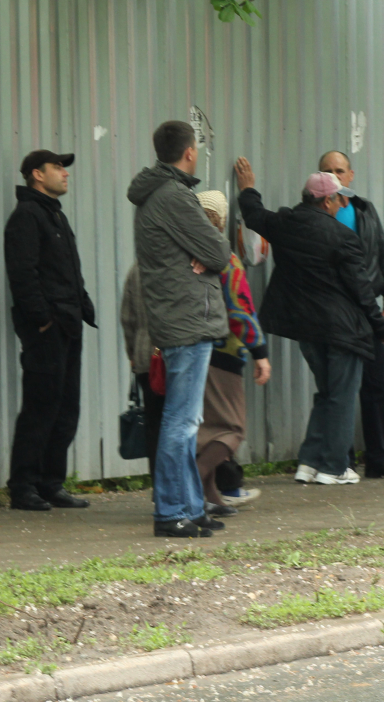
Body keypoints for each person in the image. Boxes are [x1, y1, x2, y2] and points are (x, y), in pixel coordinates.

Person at [235, 158, 384, 485]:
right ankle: (335, 467)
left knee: (327, 393)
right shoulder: (342, 237)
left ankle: (309, 462)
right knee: (340, 396)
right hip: (342, 329)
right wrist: (382, 327)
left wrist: (248, 188)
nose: (341, 204)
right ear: (326, 201)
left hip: (306, 329)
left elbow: (253, 215)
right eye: (338, 198)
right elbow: (361, 289)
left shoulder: (285, 222)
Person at [128, 121, 232, 539]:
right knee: (181, 422)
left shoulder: (160, 194)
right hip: (185, 318)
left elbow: (208, 251)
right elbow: (220, 250)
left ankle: (190, 505)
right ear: (189, 152)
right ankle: (172, 511)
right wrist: (206, 252)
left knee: (187, 420)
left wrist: (203, 253)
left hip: (180, 316)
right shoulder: (173, 196)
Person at [4, 150, 97, 511]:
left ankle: (50, 483)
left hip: (68, 324)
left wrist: (83, 304)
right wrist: (43, 318)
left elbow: (67, 270)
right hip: (47, 329)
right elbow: (23, 274)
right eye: (57, 168)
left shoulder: (55, 215)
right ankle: (23, 486)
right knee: (41, 407)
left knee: (66, 407)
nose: (65, 173)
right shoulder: (27, 216)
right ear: (36, 175)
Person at [318, 151, 384, 479]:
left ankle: (379, 458)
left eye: (339, 171)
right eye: (327, 171)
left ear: (350, 175)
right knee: (336, 388)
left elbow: (383, 256)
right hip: (335, 313)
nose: (334, 176)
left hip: (369, 310)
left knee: (375, 385)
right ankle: (338, 459)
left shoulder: (364, 210)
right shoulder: (316, 214)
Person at [195, 190, 271, 514]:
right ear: (222, 218)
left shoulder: (184, 252)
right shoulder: (224, 256)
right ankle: (193, 483)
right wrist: (259, 351)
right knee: (232, 428)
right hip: (223, 353)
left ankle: (210, 496)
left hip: (191, 350)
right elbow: (239, 310)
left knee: (207, 427)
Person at [120, 261, 164, 481]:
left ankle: (160, 491)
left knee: (154, 425)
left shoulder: (136, 269)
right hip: (173, 357)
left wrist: (132, 354)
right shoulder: (178, 264)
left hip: (145, 356)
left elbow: (127, 318)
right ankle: (181, 493)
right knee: (180, 423)